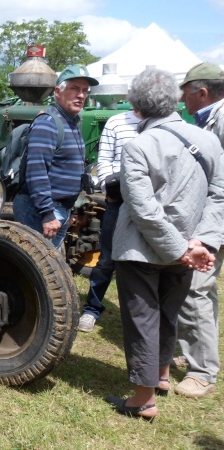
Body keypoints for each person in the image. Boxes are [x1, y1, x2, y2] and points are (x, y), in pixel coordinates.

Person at [105, 68, 224, 421]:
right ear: (174, 99)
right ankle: (161, 377)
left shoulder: (138, 146)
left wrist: (183, 247)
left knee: (144, 317)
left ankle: (143, 400)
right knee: (169, 312)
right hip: (189, 247)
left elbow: (143, 209)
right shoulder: (208, 140)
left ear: (136, 108)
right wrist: (199, 242)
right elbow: (219, 197)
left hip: (142, 250)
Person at [173, 62, 224, 398]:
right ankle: (198, 351)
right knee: (206, 289)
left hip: (215, 219)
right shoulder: (210, 119)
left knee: (194, 287)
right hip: (213, 216)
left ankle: (202, 371)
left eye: (185, 93)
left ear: (201, 92)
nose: (182, 100)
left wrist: (207, 233)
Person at [13, 65, 98, 249]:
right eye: (75, 88)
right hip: (41, 211)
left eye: (85, 91)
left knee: (51, 270)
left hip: (60, 209)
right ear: (58, 92)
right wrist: (47, 213)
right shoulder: (48, 123)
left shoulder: (72, 122)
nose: (81, 95)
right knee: (41, 272)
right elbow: (36, 171)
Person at [78, 111, 140, 332]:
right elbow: (103, 159)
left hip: (151, 201)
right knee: (106, 259)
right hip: (119, 200)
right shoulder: (116, 122)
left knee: (143, 262)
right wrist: (108, 187)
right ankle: (91, 309)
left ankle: (139, 315)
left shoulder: (160, 122)